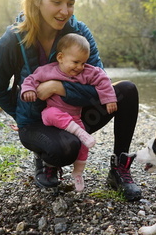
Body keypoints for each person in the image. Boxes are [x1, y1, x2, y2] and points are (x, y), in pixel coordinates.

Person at [0, 0, 141, 201]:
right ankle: (45, 156)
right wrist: (21, 113)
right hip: (38, 123)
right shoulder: (12, 40)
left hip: (76, 115)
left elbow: (101, 84)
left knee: (127, 91)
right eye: (57, 2)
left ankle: (119, 169)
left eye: (70, 3)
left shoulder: (80, 34)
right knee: (65, 149)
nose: (65, 11)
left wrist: (60, 88)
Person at [20, 33, 118, 192]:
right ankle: (77, 136)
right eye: (75, 62)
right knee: (51, 113)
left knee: (83, 146)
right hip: (52, 116)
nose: (79, 67)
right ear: (60, 57)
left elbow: (102, 79)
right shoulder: (48, 71)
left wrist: (109, 99)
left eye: (83, 63)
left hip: (74, 118)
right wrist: (28, 91)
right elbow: (31, 79)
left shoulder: (85, 72)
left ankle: (78, 173)